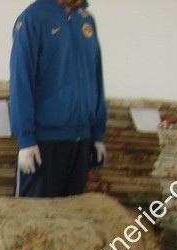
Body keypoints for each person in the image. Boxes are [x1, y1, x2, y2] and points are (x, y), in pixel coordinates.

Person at [9, 0, 107, 198]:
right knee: (35, 215)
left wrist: (97, 134)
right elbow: (21, 81)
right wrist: (26, 139)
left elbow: (96, 77)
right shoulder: (32, 19)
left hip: (81, 141)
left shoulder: (86, 20)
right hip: (44, 143)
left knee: (72, 214)